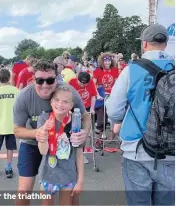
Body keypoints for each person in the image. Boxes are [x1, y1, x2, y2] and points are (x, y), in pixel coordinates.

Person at [106, 24, 175, 206]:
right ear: (165, 44)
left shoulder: (131, 70)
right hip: (170, 149)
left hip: (137, 148)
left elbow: (113, 109)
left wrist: (117, 121)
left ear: (144, 43)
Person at [13, 60, 90, 206]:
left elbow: (85, 116)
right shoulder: (23, 97)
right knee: (24, 189)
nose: (45, 85)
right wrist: (39, 132)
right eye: (40, 80)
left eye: (49, 80)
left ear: (57, 78)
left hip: (61, 143)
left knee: (72, 192)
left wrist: (85, 132)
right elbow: (17, 130)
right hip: (32, 143)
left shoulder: (66, 92)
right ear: (33, 79)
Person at [37, 85, 84, 205]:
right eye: (57, 100)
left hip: (68, 174)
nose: (60, 104)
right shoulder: (44, 119)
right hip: (48, 173)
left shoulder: (76, 122)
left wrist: (80, 181)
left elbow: (79, 154)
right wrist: (44, 132)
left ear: (71, 105)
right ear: (51, 102)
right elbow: (43, 151)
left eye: (65, 102)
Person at [0, 69, 19, 178]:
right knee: (10, 148)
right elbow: (19, 108)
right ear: (9, 77)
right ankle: (9, 168)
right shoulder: (15, 91)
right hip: (12, 126)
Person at [69, 72, 97, 164]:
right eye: (81, 83)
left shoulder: (91, 83)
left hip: (86, 109)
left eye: (85, 84)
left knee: (84, 132)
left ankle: (81, 153)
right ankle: (71, 152)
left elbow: (93, 96)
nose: (82, 85)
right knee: (72, 131)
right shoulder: (71, 82)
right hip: (73, 110)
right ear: (77, 79)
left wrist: (92, 108)